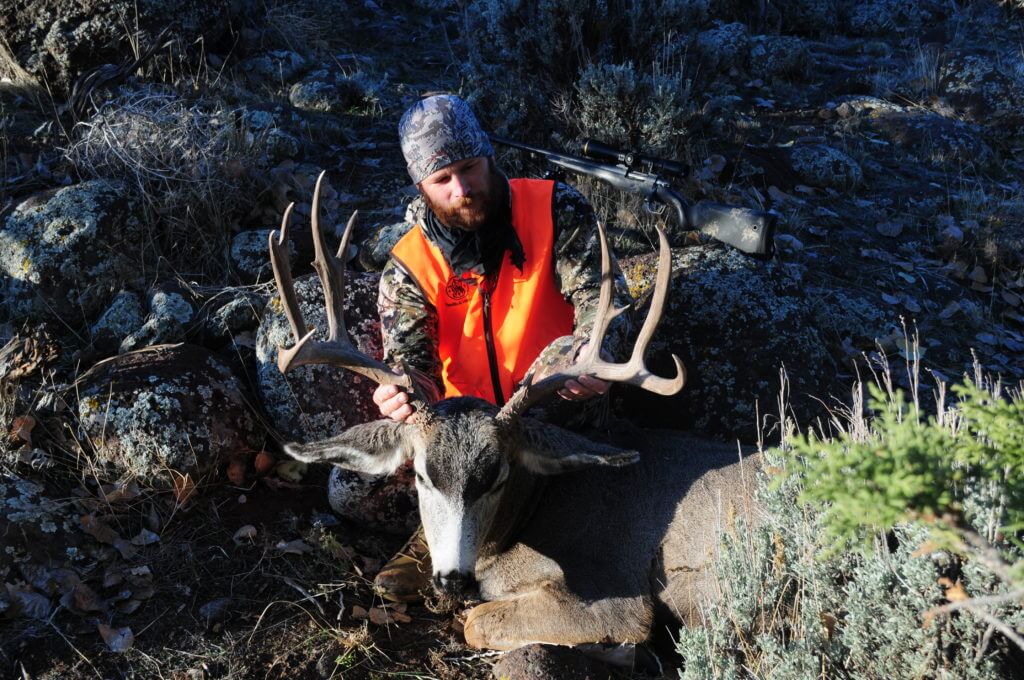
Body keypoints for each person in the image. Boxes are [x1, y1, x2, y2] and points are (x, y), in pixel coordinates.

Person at [335, 94, 632, 602]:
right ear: (421, 187)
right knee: (351, 492)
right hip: (459, 435)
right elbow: (412, 362)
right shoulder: (409, 265)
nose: (462, 188)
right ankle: (451, 541)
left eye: (469, 168)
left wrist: (589, 352)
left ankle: (486, 550)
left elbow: (605, 300)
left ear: (488, 155)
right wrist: (403, 393)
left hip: (553, 411)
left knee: (559, 472)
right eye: (441, 180)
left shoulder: (556, 209)